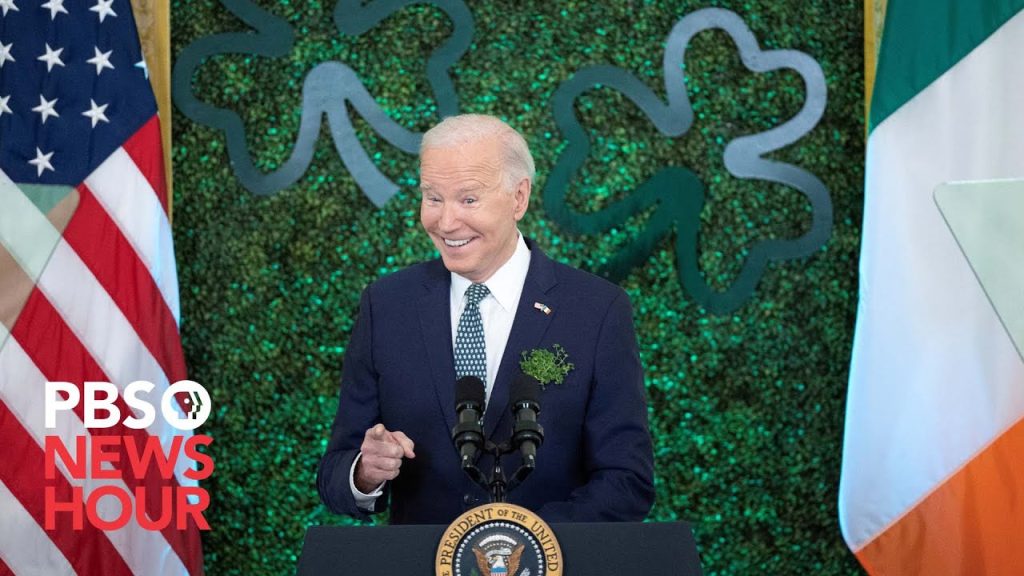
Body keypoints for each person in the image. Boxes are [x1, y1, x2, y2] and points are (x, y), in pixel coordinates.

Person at [317, 114, 654, 524]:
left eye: (468, 199)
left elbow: (627, 481)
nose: (445, 222)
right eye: (433, 197)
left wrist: (525, 542)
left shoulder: (597, 309)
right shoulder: (387, 305)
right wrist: (366, 473)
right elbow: (336, 473)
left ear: (519, 198)